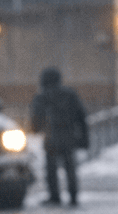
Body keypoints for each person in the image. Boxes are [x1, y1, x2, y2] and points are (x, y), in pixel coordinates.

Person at [29, 67, 88, 205]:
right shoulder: (70, 95)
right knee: (70, 168)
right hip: (68, 137)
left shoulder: (41, 97)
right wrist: (83, 139)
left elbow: (36, 121)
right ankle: (73, 196)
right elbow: (81, 117)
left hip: (51, 138)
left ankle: (54, 196)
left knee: (51, 169)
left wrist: (36, 129)